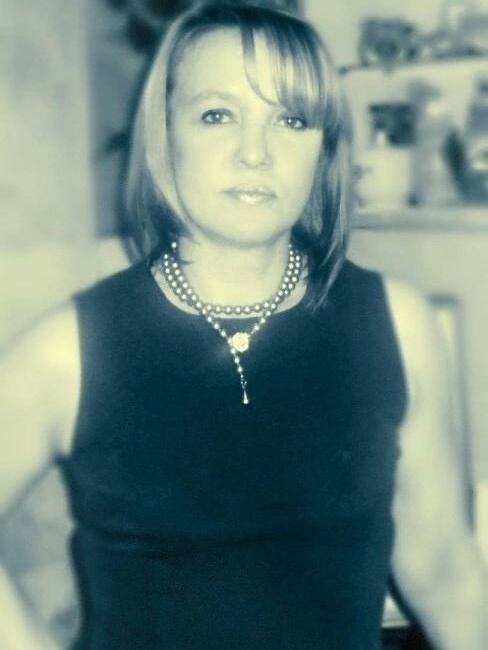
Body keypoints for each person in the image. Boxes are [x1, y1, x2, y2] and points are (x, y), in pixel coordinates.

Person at [1, 2, 487, 649]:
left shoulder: (401, 325)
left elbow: (446, 572)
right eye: (217, 115)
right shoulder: (68, 352)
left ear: (323, 149)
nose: (255, 152)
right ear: (165, 135)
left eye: (290, 119)